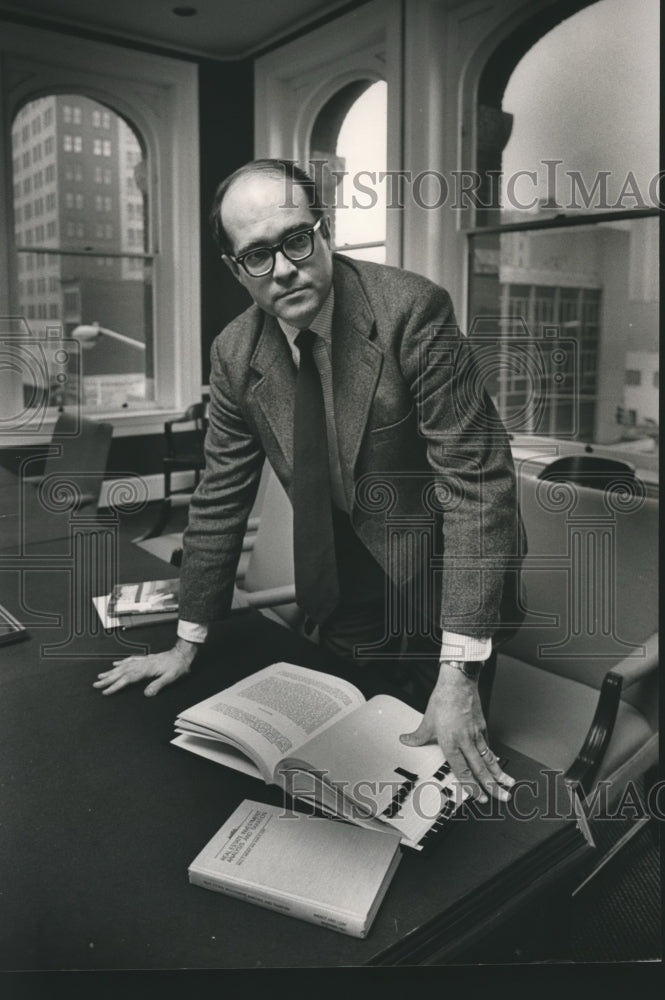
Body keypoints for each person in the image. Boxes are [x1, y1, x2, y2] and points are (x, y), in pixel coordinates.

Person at [94, 159, 524, 805]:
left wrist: (460, 670)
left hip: (445, 576)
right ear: (235, 268)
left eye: (297, 240)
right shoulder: (235, 353)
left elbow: (478, 487)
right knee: (348, 768)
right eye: (258, 255)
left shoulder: (412, 310)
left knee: (442, 773)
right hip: (340, 576)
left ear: (324, 232)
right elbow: (218, 498)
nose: (285, 268)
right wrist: (187, 639)